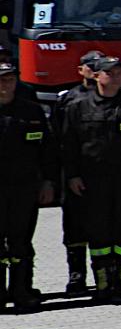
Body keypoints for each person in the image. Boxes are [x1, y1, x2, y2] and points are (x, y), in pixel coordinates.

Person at [63, 56, 121, 302]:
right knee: (98, 232)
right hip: (93, 180)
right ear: (96, 76)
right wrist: (72, 175)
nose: (115, 77)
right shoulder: (78, 107)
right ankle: (102, 283)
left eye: (119, 73)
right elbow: (69, 145)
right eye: (110, 73)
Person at [0, 60, 55, 312]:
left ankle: (22, 290)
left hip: (24, 187)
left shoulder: (31, 112)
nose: (6, 84)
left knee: (21, 241)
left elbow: (47, 151)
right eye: (1, 79)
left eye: (10, 79)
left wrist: (48, 182)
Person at [52, 51, 100, 294]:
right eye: (90, 66)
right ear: (80, 70)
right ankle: (76, 275)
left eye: (99, 66)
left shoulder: (114, 98)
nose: (95, 70)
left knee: (103, 225)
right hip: (73, 172)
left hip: (102, 173)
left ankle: (104, 274)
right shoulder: (68, 99)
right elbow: (58, 138)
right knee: (74, 225)